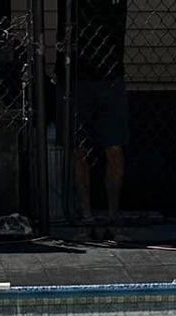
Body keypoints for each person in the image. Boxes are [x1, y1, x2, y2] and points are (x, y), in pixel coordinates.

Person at [71, 0, 126, 239]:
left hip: (110, 74)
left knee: (114, 148)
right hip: (75, 74)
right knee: (79, 148)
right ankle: (86, 215)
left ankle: (113, 215)